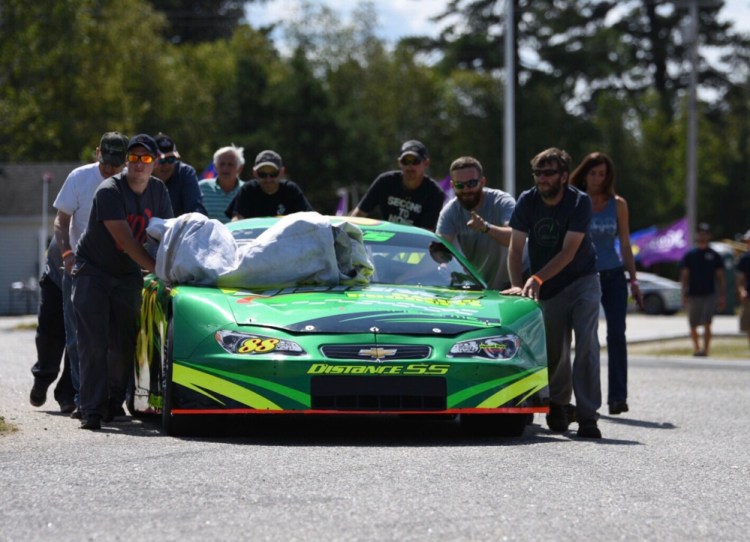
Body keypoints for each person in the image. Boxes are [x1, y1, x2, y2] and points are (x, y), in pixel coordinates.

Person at [72, 134, 174, 430]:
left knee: (123, 341)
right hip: (94, 270)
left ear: (155, 163)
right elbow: (126, 240)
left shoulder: (159, 191)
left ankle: (112, 402)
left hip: (128, 274)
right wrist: (158, 270)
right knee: (93, 342)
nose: (138, 164)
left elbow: (165, 235)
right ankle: (90, 408)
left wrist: (171, 268)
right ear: (126, 161)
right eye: (133, 158)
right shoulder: (109, 190)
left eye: (145, 159)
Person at [503, 147, 602, 439]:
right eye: (538, 173)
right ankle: (559, 405)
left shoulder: (578, 202)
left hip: (583, 278)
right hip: (547, 286)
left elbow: (569, 252)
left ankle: (587, 416)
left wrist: (536, 276)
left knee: (586, 344)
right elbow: (515, 248)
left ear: (564, 175)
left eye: (548, 173)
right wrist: (519, 285)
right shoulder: (527, 200)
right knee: (555, 351)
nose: (542, 179)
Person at [53, 131, 129, 419]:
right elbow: (61, 222)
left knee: (115, 339)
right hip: (82, 267)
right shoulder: (79, 178)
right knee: (78, 338)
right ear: (97, 152)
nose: (110, 169)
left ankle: (112, 399)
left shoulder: (129, 183)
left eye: (116, 164)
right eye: (106, 161)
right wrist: (66, 254)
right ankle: (84, 399)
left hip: (118, 269)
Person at [569, 152, 643, 416]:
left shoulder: (618, 204)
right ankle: (584, 399)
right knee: (587, 339)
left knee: (616, 335)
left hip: (613, 275)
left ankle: (617, 397)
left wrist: (633, 279)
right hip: (585, 276)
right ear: (584, 174)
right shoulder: (576, 202)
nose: (597, 179)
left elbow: (624, 243)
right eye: (593, 173)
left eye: (602, 174)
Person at [436, 156, 515, 289]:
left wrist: (486, 228)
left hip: (516, 278)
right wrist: (442, 262)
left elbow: (514, 238)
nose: (466, 190)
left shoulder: (502, 201)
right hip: (481, 284)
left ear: (482, 182)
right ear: (452, 186)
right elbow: (440, 249)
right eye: (459, 185)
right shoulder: (450, 211)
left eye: (471, 183)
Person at [351, 140, 445, 230]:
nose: (410, 166)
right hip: (385, 236)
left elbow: (426, 233)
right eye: (406, 161)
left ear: (426, 163)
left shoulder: (435, 193)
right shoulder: (385, 182)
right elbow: (359, 214)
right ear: (399, 162)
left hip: (414, 243)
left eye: (415, 161)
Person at [29, 237, 75, 413]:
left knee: (80, 336)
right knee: (49, 332)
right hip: (57, 272)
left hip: (90, 276)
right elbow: (61, 221)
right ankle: (43, 378)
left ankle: (68, 393)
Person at [679, 222, 726, 357]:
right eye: (700, 233)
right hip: (693, 293)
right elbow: (685, 275)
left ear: (709, 235)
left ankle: (706, 350)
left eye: (705, 233)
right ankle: (697, 348)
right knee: (693, 323)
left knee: (707, 322)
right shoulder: (690, 255)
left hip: (709, 293)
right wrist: (683, 293)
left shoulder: (714, 255)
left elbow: (720, 277)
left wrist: (722, 295)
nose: (702, 236)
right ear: (696, 235)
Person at [227, 150, 313, 220]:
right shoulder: (248, 190)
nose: (268, 179)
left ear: (282, 172)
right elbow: (237, 219)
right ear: (255, 173)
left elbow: (309, 217)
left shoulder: (291, 190)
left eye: (273, 174)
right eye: (263, 174)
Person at [153, 133, 206, 216]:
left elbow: (195, 209)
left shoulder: (185, 172)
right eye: (161, 160)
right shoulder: (141, 174)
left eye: (171, 159)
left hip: (179, 227)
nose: (166, 165)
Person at [199, 145, 245, 223]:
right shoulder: (202, 188)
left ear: (240, 168)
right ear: (215, 166)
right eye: (222, 164)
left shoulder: (246, 190)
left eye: (230, 164)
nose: (225, 169)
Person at [736, 229, 750, 346]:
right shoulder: (744, 259)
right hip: (748, 296)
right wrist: (741, 291)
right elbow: (740, 279)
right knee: (748, 324)